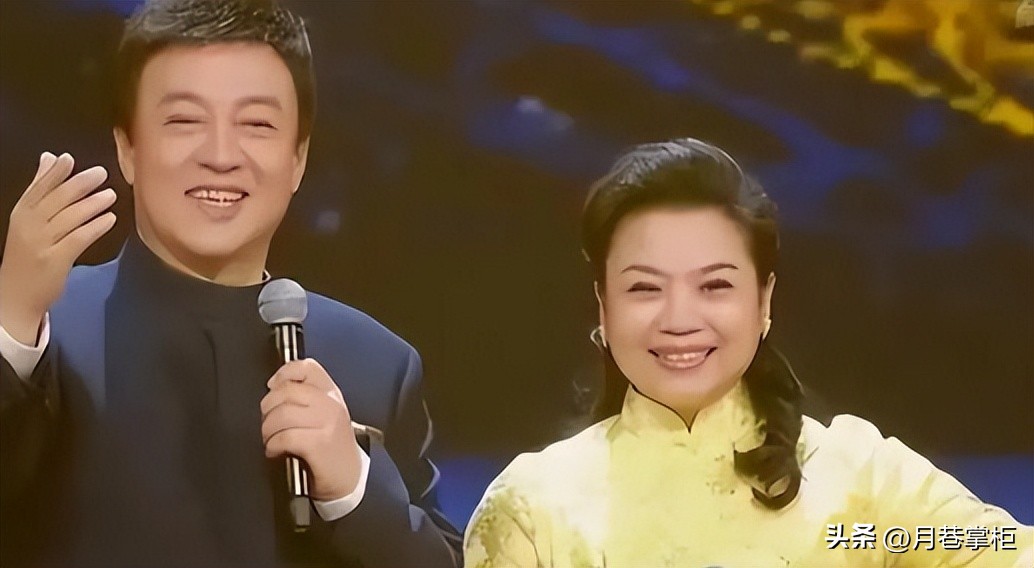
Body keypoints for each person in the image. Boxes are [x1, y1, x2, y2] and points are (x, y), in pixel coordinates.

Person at [0, 1, 460, 566]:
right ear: (127, 148)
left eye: (257, 125)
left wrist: (353, 490)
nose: (221, 156)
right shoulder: (44, 332)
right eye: (184, 121)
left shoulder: (374, 364)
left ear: (298, 159)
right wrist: (10, 330)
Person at [463, 138, 1032, 567]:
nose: (679, 319)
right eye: (644, 288)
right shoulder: (531, 508)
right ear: (603, 308)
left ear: (764, 302)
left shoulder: (862, 480)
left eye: (715, 285)